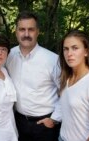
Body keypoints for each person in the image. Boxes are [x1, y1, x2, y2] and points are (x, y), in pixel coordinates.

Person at [6, 11, 61, 141]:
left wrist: (55, 119)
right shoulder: (8, 56)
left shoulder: (53, 60)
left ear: (37, 32)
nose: (26, 34)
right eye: (22, 29)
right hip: (18, 122)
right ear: (16, 32)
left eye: (31, 29)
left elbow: (66, 92)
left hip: (45, 125)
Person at [58, 29, 89, 141]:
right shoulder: (67, 77)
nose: (69, 54)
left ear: (86, 51)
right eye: (66, 49)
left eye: (75, 48)